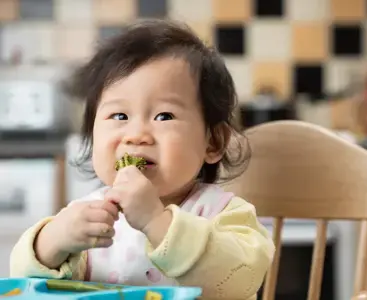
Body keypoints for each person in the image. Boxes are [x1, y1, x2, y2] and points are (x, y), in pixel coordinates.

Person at [9, 19, 275, 300]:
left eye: (164, 116)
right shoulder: (87, 217)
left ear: (213, 141)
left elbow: (237, 282)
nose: (136, 135)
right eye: (119, 116)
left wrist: (156, 221)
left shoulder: (225, 214)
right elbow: (24, 283)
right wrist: (53, 242)